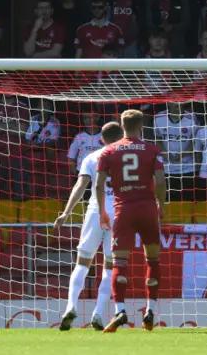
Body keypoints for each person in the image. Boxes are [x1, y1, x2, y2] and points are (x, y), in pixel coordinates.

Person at [96, 109, 166, 333]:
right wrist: (161, 206)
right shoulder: (152, 149)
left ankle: (120, 311)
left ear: (122, 126)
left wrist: (101, 212)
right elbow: (161, 181)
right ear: (142, 126)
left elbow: (98, 184)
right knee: (153, 261)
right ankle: (150, 311)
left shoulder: (108, 151)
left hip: (123, 210)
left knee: (119, 264)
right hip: (147, 208)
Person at [54, 121, 124, 331]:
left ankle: (70, 306)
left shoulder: (91, 157)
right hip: (119, 213)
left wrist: (66, 213)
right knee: (110, 267)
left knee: (83, 263)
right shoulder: (128, 158)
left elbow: (80, 186)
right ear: (121, 137)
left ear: (101, 139)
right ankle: (98, 314)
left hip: (95, 211)